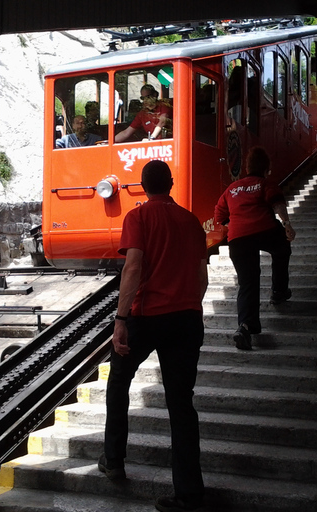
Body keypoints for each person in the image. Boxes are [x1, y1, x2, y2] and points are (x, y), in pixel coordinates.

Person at [99, 160, 208, 512]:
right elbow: (202, 276)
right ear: (171, 184)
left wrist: (120, 318)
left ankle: (114, 459)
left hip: (147, 318)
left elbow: (133, 266)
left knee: (119, 381)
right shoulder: (191, 221)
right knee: (181, 405)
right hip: (187, 318)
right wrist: (189, 303)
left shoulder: (139, 217)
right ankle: (189, 493)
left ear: (144, 187)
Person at [214, 146, 296, 350]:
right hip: (265, 230)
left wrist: (236, 225)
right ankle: (278, 290)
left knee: (247, 282)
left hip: (238, 239)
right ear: (266, 168)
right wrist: (287, 225)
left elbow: (219, 216)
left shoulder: (231, 189)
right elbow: (277, 204)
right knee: (282, 249)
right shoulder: (264, 184)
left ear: (247, 167)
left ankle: (244, 327)